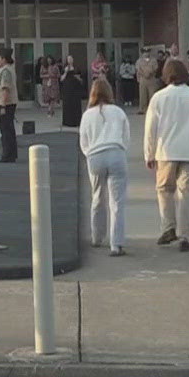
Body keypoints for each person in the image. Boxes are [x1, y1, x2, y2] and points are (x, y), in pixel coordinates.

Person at [143, 57, 189, 252]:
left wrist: (149, 153)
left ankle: (168, 227)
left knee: (165, 191)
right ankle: (185, 236)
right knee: (187, 194)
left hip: (166, 151)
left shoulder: (159, 97)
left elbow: (150, 128)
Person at [78, 77, 130, 256]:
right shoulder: (118, 112)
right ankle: (116, 243)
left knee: (97, 197)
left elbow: (83, 141)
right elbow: (126, 137)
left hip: (95, 155)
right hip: (116, 152)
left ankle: (97, 236)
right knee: (117, 201)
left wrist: (89, 155)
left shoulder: (87, 115)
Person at [0, 50, 19, 163]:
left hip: (6, 104)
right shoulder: (7, 70)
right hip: (8, 103)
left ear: (4, 59)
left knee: (6, 130)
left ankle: (7, 155)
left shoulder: (5, 71)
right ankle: (11, 154)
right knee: (9, 129)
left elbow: (5, 89)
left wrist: (3, 106)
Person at [60, 57, 87, 128]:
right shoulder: (64, 68)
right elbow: (61, 79)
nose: (70, 60)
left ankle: (77, 121)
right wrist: (66, 72)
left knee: (76, 103)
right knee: (68, 103)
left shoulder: (76, 68)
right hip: (67, 88)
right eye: (69, 59)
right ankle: (68, 121)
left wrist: (77, 77)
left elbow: (81, 79)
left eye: (71, 59)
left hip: (75, 88)